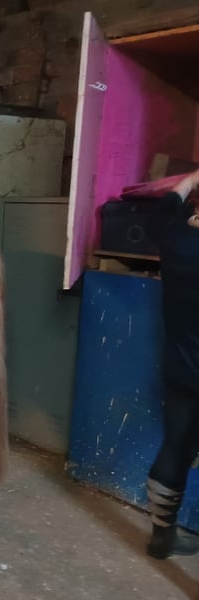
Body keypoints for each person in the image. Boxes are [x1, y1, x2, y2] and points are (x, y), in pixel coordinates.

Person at [147, 168, 199, 559]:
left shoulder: (175, 236)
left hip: (181, 366)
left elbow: (165, 208)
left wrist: (191, 179)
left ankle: (161, 537)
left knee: (175, 446)